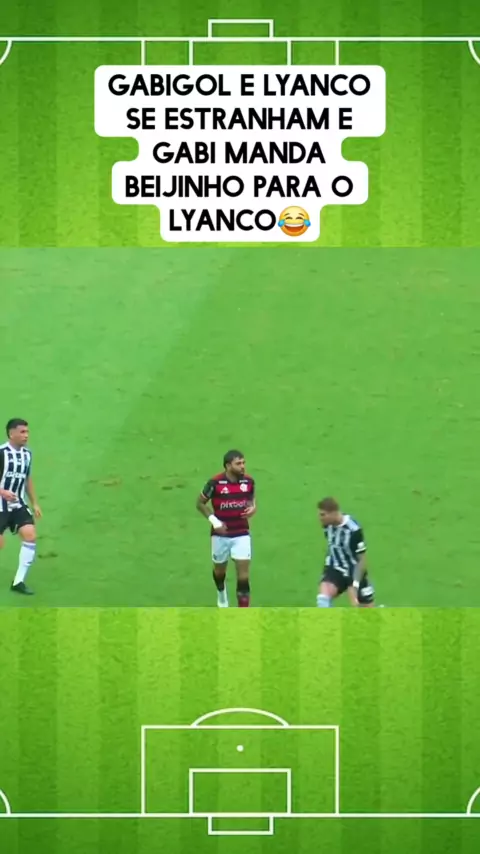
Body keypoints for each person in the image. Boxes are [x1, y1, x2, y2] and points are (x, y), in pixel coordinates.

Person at [196, 450, 255, 607]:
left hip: (241, 533)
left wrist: (253, 508)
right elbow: (200, 503)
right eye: (238, 463)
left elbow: (251, 500)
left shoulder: (249, 482)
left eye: (243, 463)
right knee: (219, 571)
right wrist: (215, 522)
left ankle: (243, 614)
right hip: (220, 535)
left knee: (243, 577)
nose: (243, 466)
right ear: (228, 466)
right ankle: (221, 594)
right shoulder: (215, 483)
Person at [0, 418, 42, 595]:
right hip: (0, 505)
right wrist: (2, 491)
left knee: (30, 535)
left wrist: (34, 503)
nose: (26, 435)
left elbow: (27, 479)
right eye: (22, 432)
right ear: (12, 433)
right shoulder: (1, 453)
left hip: (18, 504)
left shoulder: (27, 454)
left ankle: (18, 581)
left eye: (27, 432)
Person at [316, 497, 375, 607]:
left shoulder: (354, 530)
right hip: (336, 569)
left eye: (323, 515)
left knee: (365, 613)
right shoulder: (326, 525)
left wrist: (354, 585)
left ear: (333, 513)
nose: (320, 518)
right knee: (323, 600)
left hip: (354, 572)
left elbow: (362, 561)